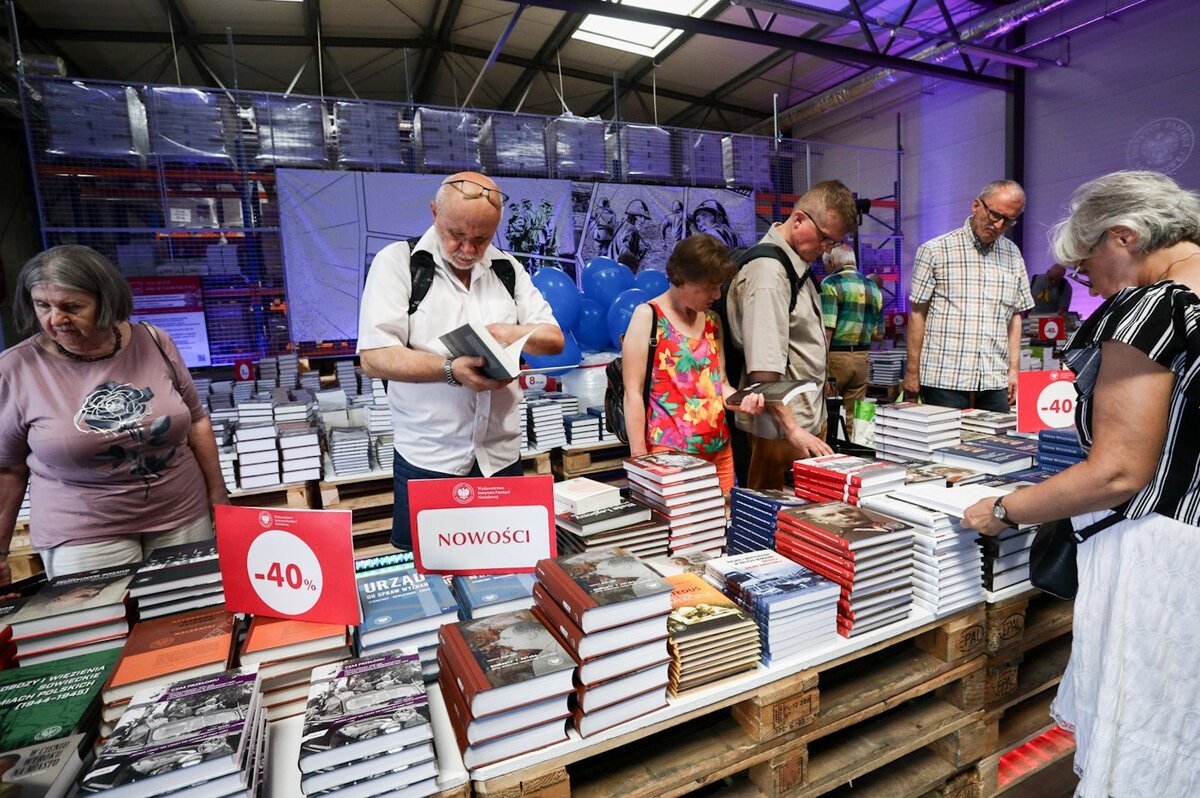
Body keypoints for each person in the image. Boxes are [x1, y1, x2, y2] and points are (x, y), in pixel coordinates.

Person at [962, 170, 1200, 797]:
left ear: (1124, 236)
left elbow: (1118, 471)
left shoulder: (1158, 307)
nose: (1083, 280)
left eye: (1084, 261)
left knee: (1144, 728)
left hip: (1158, 554)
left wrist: (1005, 509)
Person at [358, 172, 564, 552]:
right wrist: (450, 370)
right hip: (428, 459)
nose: (467, 249)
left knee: (508, 565)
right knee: (432, 572)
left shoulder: (507, 269)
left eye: (481, 238)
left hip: (500, 458)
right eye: (456, 234)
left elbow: (554, 339)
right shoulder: (398, 264)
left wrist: (505, 332)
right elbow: (374, 357)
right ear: (434, 212)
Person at [0, 245, 227, 584]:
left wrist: (218, 496)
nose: (55, 319)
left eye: (71, 307)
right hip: (83, 532)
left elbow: (196, 421)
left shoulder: (155, 342)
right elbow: (8, 468)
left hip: (181, 514)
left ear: (106, 301)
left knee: (189, 608)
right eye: (42, 305)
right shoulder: (16, 368)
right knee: (106, 616)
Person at [726, 181, 859, 491]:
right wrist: (793, 430)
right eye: (825, 238)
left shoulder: (794, 265)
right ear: (799, 219)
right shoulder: (769, 274)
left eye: (833, 242)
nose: (827, 249)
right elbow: (764, 374)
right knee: (772, 512)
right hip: (780, 429)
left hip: (801, 422)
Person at [620, 234, 777, 494]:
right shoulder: (648, 317)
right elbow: (633, 393)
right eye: (709, 287)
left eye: (719, 286)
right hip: (669, 454)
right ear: (683, 280)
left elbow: (719, 383)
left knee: (722, 517)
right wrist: (640, 458)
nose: (716, 295)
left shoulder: (712, 321)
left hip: (719, 451)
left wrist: (743, 401)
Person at [903, 180, 1034, 412]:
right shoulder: (935, 250)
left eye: (1008, 221)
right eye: (995, 215)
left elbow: (1015, 316)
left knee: (999, 437)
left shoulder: (1013, 255)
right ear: (976, 206)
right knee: (945, 437)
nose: (999, 225)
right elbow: (917, 314)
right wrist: (912, 371)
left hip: (994, 378)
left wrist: (1014, 370)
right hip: (944, 377)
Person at [820, 244, 883, 439]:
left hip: (836, 358)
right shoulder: (873, 287)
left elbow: (827, 331)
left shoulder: (830, 284)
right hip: (863, 358)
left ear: (832, 262)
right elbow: (879, 334)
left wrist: (822, 368)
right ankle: (853, 452)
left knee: (826, 413)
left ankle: (828, 453)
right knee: (854, 418)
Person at [606, 199, 651, 270]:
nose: (642, 221)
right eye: (640, 216)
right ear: (632, 215)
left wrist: (642, 251)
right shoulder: (632, 230)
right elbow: (625, 256)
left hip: (611, 268)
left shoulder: (622, 225)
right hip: (618, 271)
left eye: (644, 218)